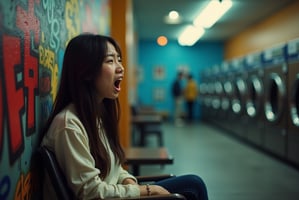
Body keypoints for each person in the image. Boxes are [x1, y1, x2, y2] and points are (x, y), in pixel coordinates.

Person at [39, 33, 208, 200]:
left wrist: (127, 179)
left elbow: (113, 169)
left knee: (191, 184)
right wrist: (148, 190)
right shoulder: (69, 125)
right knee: (192, 185)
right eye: (110, 61)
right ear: (86, 72)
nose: (121, 67)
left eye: (118, 59)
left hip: (116, 194)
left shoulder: (95, 117)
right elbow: (90, 192)